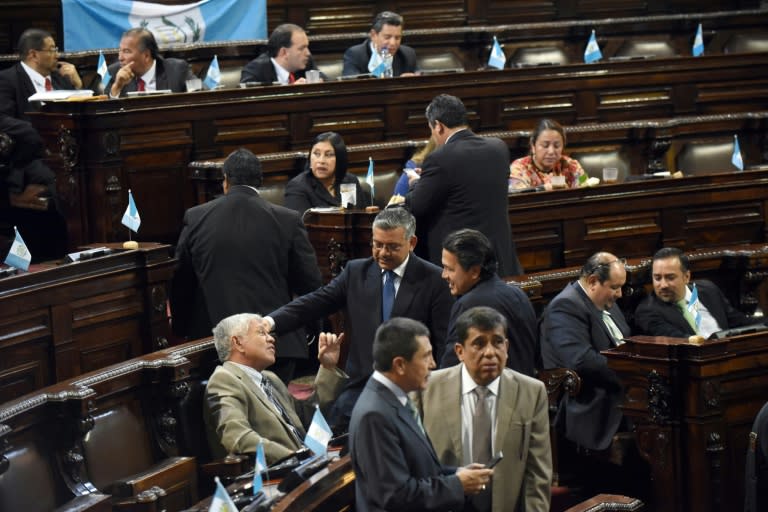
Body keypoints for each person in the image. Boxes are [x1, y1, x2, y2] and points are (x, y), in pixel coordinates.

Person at [265, 207, 453, 426]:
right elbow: (314, 302)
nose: (382, 253)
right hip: (361, 387)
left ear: (411, 243)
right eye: (377, 244)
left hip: (413, 391)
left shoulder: (434, 280)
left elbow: (444, 344)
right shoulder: (356, 272)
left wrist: (435, 395)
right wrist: (270, 321)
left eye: (392, 246)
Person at [170, 148, 322, 384]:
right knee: (273, 416)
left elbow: (181, 282)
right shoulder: (288, 220)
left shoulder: (196, 217)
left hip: (216, 346)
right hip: (275, 344)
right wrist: (311, 332)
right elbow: (310, 285)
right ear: (260, 182)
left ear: (225, 181)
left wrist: (182, 331)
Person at [349, 317, 493, 512]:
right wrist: (457, 485)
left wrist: (457, 473)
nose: (433, 364)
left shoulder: (397, 399)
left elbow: (418, 469)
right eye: (426, 356)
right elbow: (395, 495)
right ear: (399, 365)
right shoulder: (374, 415)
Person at [419, 306, 552, 512]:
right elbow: (415, 467)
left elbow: (538, 475)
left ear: (506, 347)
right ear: (459, 351)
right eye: (479, 344)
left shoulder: (531, 392)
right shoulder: (426, 389)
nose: (490, 352)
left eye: (497, 342)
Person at [203, 313, 347, 463]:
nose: (271, 338)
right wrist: (297, 457)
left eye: (269, 334)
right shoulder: (224, 379)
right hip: (276, 475)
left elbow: (306, 417)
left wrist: (327, 367)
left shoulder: (270, 377)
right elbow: (238, 437)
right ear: (238, 343)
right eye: (261, 333)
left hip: (307, 460)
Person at [405, 94, 523, 277]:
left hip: (461, 266)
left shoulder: (439, 158)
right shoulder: (498, 148)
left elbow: (417, 206)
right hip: (500, 259)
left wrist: (415, 183)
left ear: (438, 125)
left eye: (432, 130)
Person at [0, 28, 78, 260]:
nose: (57, 54)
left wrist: (76, 84)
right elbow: (2, 118)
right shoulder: (7, 80)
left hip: (67, 152)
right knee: (60, 182)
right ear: (34, 54)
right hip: (29, 157)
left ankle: (79, 246)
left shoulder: (61, 79)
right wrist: (39, 130)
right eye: (52, 49)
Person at [539, 252, 628, 451]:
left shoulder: (605, 301)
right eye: (615, 287)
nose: (620, 294)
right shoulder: (565, 306)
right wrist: (630, 374)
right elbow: (581, 360)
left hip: (619, 388)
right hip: (592, 399)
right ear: (593, 281)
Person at [439, 229, 538, 376]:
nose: (443, 275)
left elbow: (451, 367)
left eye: (450, 269)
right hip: (522, 391)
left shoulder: (468, 305)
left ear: (474, 272)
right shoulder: (517, 293)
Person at [634, 247, 752, 339]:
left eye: (670, 277)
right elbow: (679, 340)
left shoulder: (708, 290)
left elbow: (739, 322)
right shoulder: (647, 311)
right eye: (657, 278)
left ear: (686, 277)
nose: (663, 285)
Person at [284, 131, 371, 213]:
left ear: (340, 159)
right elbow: (299, 226)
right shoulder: (298, 187)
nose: (321, 161)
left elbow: (356, 216)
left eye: (329, 155)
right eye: (316, 154)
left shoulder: (348, 181)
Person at [105, 28, 194, 97]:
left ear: (146, 55)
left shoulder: (177, 70)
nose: (120, 58)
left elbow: (201, 96)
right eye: (120, 51)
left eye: (127, 51)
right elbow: (104, 111)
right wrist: (116, 87)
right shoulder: (115, 72)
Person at [509, 119, 586, 190]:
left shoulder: (571, 165)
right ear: (533, 146)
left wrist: (584, 182)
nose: (551, 151)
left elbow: (586, 182)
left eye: (557, 146)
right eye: (545, 145)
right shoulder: (518, 168)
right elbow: (517, 193)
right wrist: (545, 188)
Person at [240, 24, 324, 85]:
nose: (308, 53)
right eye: (301, 48)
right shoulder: (255, 71)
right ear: (284, 52)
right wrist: (292, 92)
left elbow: (328, 84)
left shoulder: (306, 63)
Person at [342, 11, 418, 78]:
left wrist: (411, 81)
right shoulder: (355, 55)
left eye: (397, 38)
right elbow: (350, 85)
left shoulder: (408, 54)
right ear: (373, 35)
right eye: (387, 37)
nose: (393, 43)